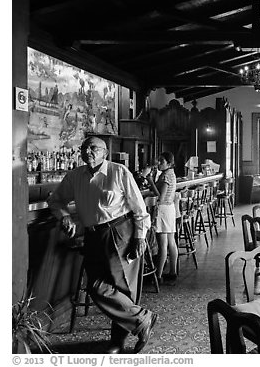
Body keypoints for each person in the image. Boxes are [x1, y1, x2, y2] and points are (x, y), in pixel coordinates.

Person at [47, 136, 157, 354]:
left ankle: (117, 341)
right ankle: (142, 318)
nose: (88, 151)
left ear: (105, 152)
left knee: (123, 287)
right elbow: (55, 201)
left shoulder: (118, 172)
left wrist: (140, 237)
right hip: (92, 236)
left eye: (94, 148)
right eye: (85, 148)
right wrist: (65, 217)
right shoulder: (74, 176)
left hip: (120, 232)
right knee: (96, 286)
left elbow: (138, 207)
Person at [143, 152, 178, 286]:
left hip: (163, 209)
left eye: (162, 161)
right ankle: (172, 272)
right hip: (170, 209)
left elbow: (160, 196)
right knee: (171, 241)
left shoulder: (166, 175)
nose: (159, 163)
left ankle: (158, 275)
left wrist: (149, 180)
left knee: (163, 244)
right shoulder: (170, 173)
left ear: (169, 163)